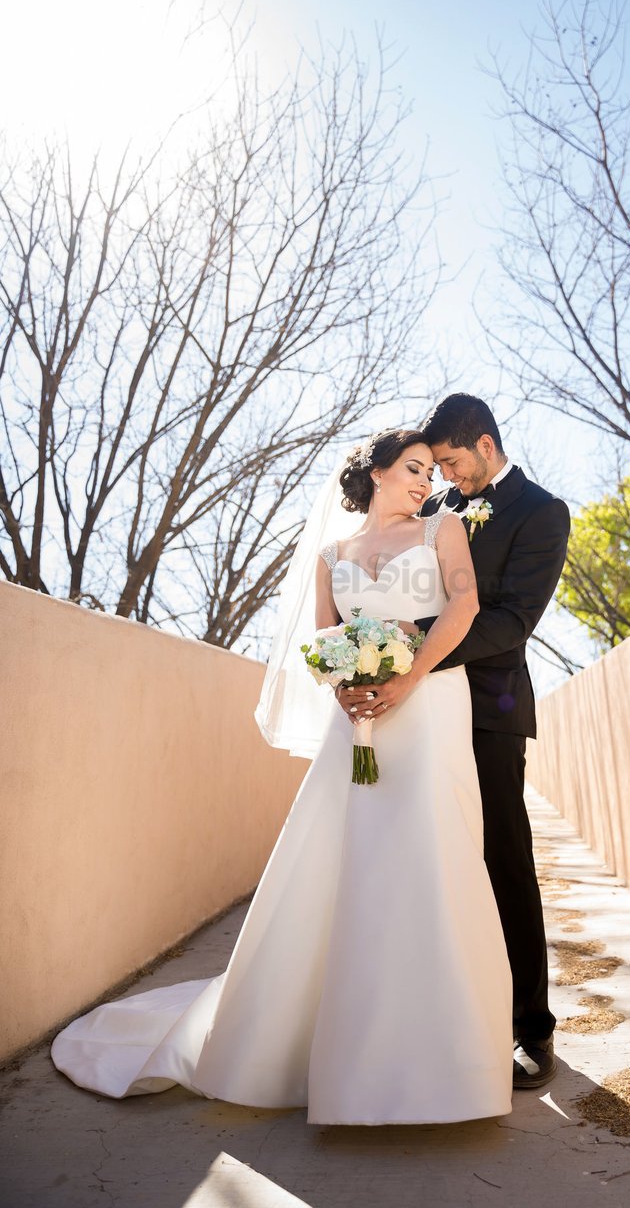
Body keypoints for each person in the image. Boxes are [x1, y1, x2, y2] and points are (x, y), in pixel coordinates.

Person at [50, 428, 515, 1126]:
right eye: (413, 469)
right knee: (347, 861)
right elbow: (323, 643)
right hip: (357, 720)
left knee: (432, 855)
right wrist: (348, 691)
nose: (426, 481)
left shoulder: (443, 528)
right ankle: (334, 1057)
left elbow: (464, 608)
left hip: (429, 709)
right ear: (377, 473)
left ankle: (445, 1066)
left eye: (430, 469)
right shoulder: (333, 556)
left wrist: (408, 678)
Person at [336, 396, 570, 1089]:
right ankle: (439, 1012)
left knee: (503, 859)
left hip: (489, 710)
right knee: (422, 862)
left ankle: (533, 1028)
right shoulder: (435, 508)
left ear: (487, 445)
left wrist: (416, 647)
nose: (441, 475)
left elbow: (511, 621)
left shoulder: (541, 511)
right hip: (420, 711)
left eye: (451, 461)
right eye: (433, 464)